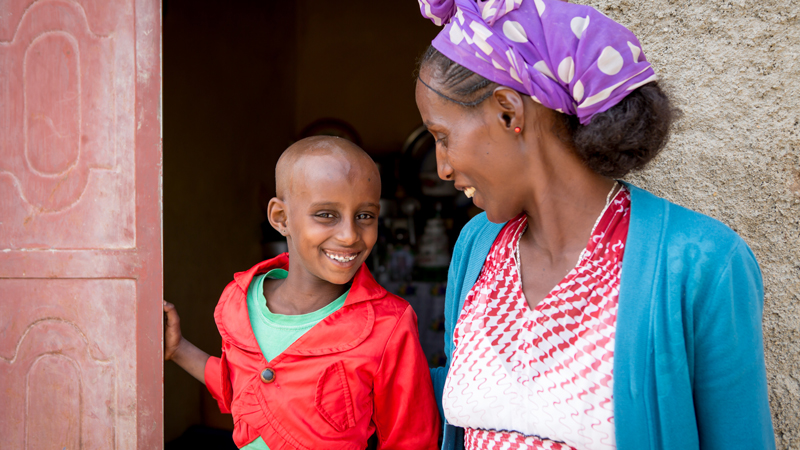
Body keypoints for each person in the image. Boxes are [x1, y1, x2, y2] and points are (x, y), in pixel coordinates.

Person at [414, 0, 775, 449]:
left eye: (442, 137)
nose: (442, 167)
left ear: (509, 113)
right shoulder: (477, 246)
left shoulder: (700, 262)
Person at [163, 136, 440, 449]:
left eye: (365, 216)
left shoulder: (388, 325)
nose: (350, 235)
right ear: (281, 218)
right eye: (326, 214)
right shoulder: (239, 302)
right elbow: (244, 389)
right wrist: (179, 350)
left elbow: (412, 439)